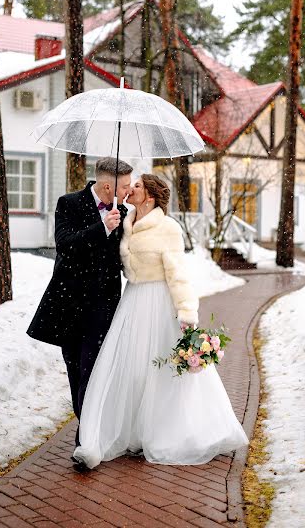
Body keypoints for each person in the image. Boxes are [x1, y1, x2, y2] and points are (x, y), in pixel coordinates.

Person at [73, 174, 249, 469]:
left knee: (161, 371)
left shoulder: (168, 228)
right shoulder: (126, 222)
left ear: (151, 196)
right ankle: (124, 433)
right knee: (130, 368)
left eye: (138, 186)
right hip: (132, 300)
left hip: (159, 301)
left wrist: (187, 313)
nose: (131, 189)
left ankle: (170, 430)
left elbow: (178, 274)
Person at [27, 157, 133, 449]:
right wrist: (102, 228)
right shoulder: (69, 203)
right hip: (69, 303)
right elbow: (65, 244)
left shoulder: (123, 212)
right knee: (75, 369)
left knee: (93, 368)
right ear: (108, 186)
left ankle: (87, 436)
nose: (127, 192)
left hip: (103, 306)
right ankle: (86, 422)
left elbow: (125, 258)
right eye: (124, 186)